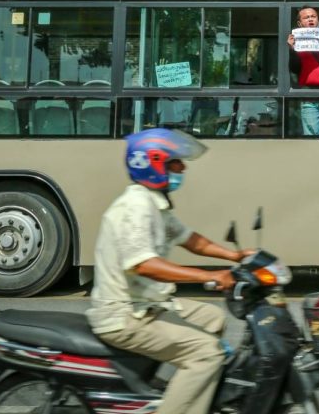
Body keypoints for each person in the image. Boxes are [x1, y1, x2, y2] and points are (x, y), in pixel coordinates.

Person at [87, 128, 251, 414]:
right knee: (206, 353)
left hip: (147, 303)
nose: (182, 168)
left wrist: (234, 256)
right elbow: (144, 265)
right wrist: (211, 276)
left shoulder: (154, 203)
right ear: (153, 164)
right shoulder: (135, 207)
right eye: (174, 162)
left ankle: (186, 391)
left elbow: (190, 240)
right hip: (124, 316)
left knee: (212, 318)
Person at [287, 6, 319, 136]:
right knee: (312, 137)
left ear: (318, 20)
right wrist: (292, 50)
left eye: (313, 16)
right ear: (300, 23)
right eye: (306, 17)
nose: (310, 19)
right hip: (309, 96)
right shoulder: (294, 39)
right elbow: (293, 69)